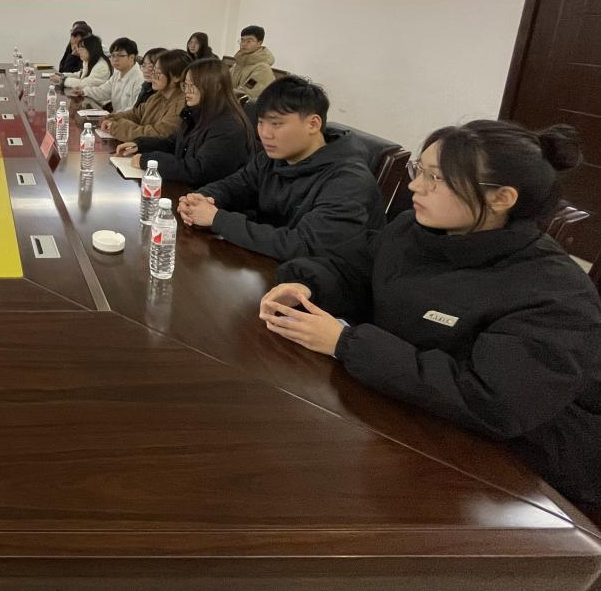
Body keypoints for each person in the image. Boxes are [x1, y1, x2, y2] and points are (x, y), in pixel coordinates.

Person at [260, 121, 601, 506]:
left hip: (518, 475)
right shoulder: (417, 229)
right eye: (419, 170)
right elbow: (360, 269)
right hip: (406, 416)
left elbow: (491, 403)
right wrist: (308, 285)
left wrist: (347, 343)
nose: (415, 187)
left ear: (501, 198)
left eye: (436, 178)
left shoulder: (555, 295)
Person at [177, 75, 383, 260]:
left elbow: (304, 245)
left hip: (319, 281)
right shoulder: (273, 158)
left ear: (313, 124)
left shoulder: (349, 180)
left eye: (276, 124)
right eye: (261, 122)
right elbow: (234, 186)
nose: (265, 134)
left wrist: (217, 219)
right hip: (269, 264)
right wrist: (199, 200)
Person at [118, 58, 254, 185]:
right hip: (190, 190)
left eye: (193, 86)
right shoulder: (196, 113)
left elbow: (199, 171)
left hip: (209, 196)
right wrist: (140, 145)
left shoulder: (228, 127)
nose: (187, 91)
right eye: (186, 85)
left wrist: (150, 162)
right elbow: (173, 143)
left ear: (215, 87)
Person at [100, 49, 188, 143]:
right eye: (153, 71)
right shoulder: (158, 96)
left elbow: (158, 134)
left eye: (158, 73)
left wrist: (119, 127)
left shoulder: (181, 104)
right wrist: (112, 118)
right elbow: (136, 114)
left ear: (177, 77)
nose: (153, 76)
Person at [75, 37, 143, 112]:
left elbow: (134, 110)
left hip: (124, 118)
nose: (115, 59)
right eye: (113, 55)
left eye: (120, 55)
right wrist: (84, 91)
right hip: (115, 116)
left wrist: (114, 116)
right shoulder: (118, 73)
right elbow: (103, 91)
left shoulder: (140, 80)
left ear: (131, 58)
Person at [230, 25, 277, 101]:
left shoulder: (263, 69)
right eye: (242, 40)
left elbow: (246, 93)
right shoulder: (238, 63)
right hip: (232, 102)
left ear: (259, 43)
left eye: (249, 41)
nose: (244, 44)